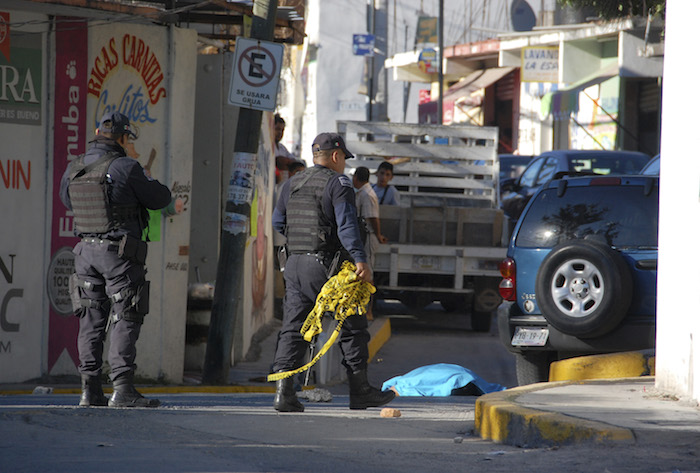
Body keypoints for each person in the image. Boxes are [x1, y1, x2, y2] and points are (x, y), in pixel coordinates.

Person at [271, 132, 396, 412]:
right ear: (336, 156)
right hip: (328, 267)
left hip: (294, 264)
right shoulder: (338, 183)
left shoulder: (292, 182)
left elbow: (278, 222)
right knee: (353, 327)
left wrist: (302, 243)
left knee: (294, 326)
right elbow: (347, 226)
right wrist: (360, 260)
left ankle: (284, 393)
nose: (345, 167)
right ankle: (360, 390)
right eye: (344, 160)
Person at [59, 112, 172, 408]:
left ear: (97, 132)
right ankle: (122, 389)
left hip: (85, 252)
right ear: (123, 138)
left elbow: (65, 200)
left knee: (91, 320)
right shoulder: (126, 166)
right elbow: (160, 198)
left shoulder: (75, 167)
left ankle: (90, 390)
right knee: (126, 315)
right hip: (119, 254)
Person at [274, 113, 296, 183]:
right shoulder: (266, 145)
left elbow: (293, 162)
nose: (280, 133)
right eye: (277, 129)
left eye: (282, 130)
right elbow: (279, 161)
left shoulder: (282, 148)